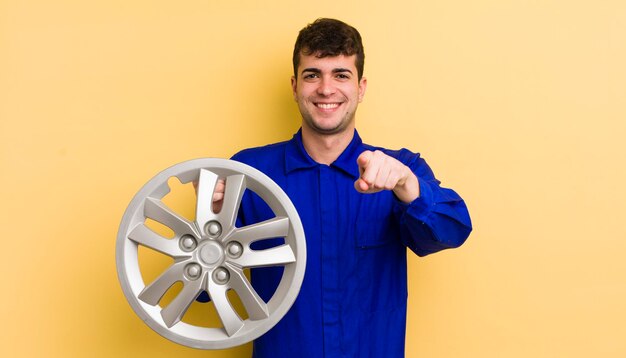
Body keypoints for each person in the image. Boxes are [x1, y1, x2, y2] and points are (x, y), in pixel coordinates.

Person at [216, 18, 472, 357]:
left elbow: (452, 231)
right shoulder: (250, 174)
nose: (325, 89)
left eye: (340, 75)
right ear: (294, 86)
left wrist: (409, 186)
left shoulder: (399, 170)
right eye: (312, 75)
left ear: (361, 87)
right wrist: (212, 226)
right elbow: (207, 290)